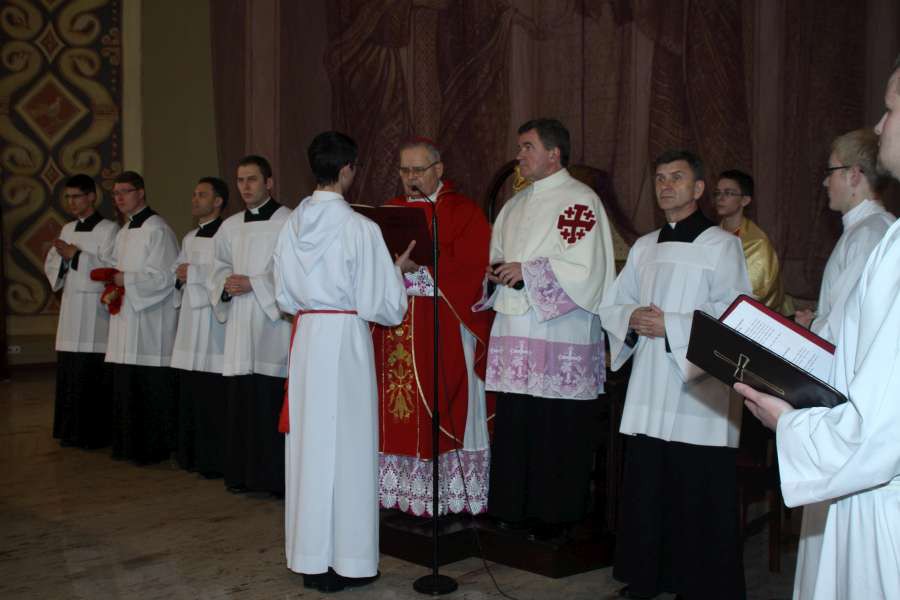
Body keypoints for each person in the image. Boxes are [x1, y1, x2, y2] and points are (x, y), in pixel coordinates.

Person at [736, 56, 900, 600]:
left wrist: (790, 425)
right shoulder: (878, 237)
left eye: (890, 110)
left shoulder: (876, 238)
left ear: (853, 176)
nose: (880, 125)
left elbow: (879, 411)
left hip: (872, 484)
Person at [598, 150, 751, 599]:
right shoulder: (644, 247)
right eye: (661, 178)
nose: (666, 186)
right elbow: (613, 303)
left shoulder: (722, 246)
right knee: (650, 487)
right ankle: (647, 577)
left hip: (699, 391)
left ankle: (697, 585)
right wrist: (631, 317)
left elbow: (734, 315)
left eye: (677, 178)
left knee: (694, 490)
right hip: (650, 383)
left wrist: (674, 326)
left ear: (698, 188)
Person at [274, 131, 409, 592]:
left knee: (310, 449)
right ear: (348, 168)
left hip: (308, 339)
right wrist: (397, 272)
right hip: (346, 341)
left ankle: (312, 560)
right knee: (348, 448)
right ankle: (348, 561)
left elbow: (282, 295)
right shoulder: (360, 228)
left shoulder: (291, 225)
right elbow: (384, 306)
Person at [480, 118, 615, 540]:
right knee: (517, 420)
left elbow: (587, 270)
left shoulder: (580, 201)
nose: (519, 155)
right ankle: (511, 506)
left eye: (528, 147)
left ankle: (555, 514)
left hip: (559, 331)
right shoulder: (514, 205)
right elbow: (497, 255)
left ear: (554, 154)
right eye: (519, 146)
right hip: (517, 327)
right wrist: (496, 272)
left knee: (555, 425)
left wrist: (529, 272)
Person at [373, 137, 494, 516]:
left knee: (443, 403)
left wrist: (420, 272)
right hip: (395, 325)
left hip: (444, 325)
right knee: (395, 409)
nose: (411, 178)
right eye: (404, 170)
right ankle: (401, 493)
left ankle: (449, 493)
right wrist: (394, 270)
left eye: (418, 170)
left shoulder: (463, 211)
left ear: (438, 170)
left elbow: (473, 269)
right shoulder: (389, 211)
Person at [209, 155, 291, 496]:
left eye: (252, 179)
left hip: (272, 325)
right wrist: (225, 285)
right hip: (240, 324)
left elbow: (291, 271)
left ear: (269, 182)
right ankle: (242, 475)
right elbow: (217, 266)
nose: (245, 186)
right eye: (240, 180)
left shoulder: (288, 221)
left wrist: (254, 283)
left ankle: (273, 479)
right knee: (242, 401)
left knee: (268, 400)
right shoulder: (230, 226)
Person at [106, 171, 180, 464]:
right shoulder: (124, 231)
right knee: (127, 385)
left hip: (151, 321)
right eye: (115, 193)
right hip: (126, 318)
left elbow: (164, 278)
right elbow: (114, 269)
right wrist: (114, 285)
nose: (119, 198)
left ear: (141, 193)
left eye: (125, 191)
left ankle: (152, 448)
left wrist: (126, 280)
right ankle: (128, 445)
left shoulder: (157, 229)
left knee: (149, 387)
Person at [794, 129, 895, 342]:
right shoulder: (877, 227)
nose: (825, 182)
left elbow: (846, 326)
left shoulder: (866, 234)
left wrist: (810, 325)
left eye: (831, 171)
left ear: (854, 175)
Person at [44, 174, 119, 448]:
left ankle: (94, 434)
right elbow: (53, 265)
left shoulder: (110, 230)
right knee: (71, 372)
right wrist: (64, 260)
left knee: (91, 372)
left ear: (91, 197)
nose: (71, 202)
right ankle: (71, 431)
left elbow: (111, 267)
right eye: (68, 197)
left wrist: (76, 256)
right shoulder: (67, 229)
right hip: (72, 307)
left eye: (76, 196)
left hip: (95, 311)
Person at [171, 177, 228, 476]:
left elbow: (226, 275)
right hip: (190, 323)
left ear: (218, 201)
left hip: (214, 322)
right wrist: (180, 275)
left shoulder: (227, 234)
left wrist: (192, 273)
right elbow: (178, 271)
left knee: (211, 393)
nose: (195, 199)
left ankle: (213, 458)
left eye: (202, 195)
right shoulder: (189, 237)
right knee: (190, 389)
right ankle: (189, 454)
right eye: (194, 194)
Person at [715, 169, 793, 314]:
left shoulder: (757, 242)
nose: (720, 198)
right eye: (718, 192)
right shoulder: (711, 236)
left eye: (728, 193)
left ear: (745, 200)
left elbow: (761, 291)